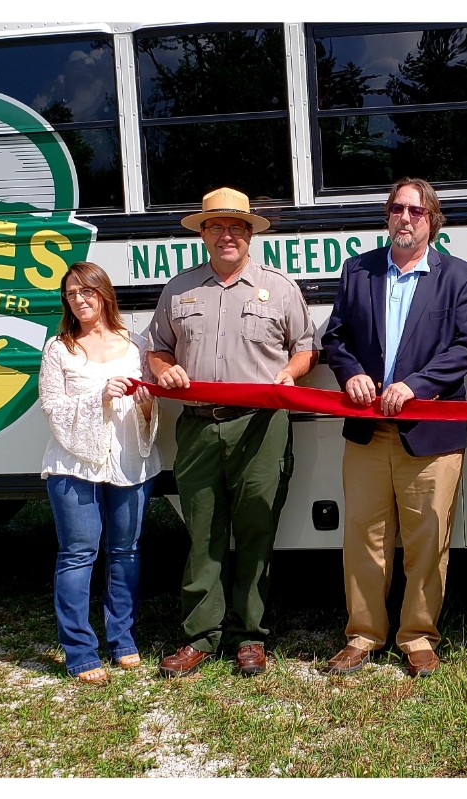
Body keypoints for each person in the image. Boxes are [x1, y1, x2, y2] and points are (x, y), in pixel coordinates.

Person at [147, 187, 318, 679]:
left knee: (256, 530)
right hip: (200, 427)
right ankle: (200, 636)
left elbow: (305, 347)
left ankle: (250, 636)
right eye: (216, 226)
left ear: (250, 234)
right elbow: (157, 349)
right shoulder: (178, 291)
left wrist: (292, 374)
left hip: (261, 427)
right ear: (202, 233)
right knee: (202, 532)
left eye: (236, 227)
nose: (227, 235)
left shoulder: (280, 288)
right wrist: (163, 371)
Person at [321, 177, 467, 679]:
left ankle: (417, 637)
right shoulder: (359, 271)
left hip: (430, 433)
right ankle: (362, 635)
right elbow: (336, 337)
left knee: (426, 539)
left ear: (432, 220)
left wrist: (415, 385)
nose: (405, 218)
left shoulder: (460, 276)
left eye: (416, 211)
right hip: (369, 431)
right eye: (397, 209)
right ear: (387, 216)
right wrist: (351, 375)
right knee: (364, 537)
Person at [39, 261, 161, 685]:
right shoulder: (59, 349)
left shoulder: (136, 345)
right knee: (77, 554)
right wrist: (99, 396)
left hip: (130, 461)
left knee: (125, 552)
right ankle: (79, 651)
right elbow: (52, 408)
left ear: (104, 294)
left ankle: (123, 640)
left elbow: (150, 408)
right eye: (71, 294)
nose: (79, 300)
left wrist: (145, 402)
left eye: (86, 292)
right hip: (74, 465)